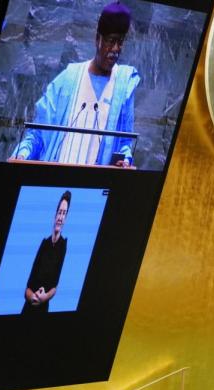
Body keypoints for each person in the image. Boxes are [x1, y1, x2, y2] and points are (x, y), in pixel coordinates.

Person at [11, 2, 140, 167]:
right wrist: (22, 155)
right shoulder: (69, 78)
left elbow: (124, 142)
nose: (115, 49)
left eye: (120, 42)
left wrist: (125, 160)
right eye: (110, 41)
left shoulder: (124, 84)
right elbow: (38, 134)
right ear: (97, 39)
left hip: (94, 185)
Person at [23, 191, 70, 314]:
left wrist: (44, 297)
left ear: (66, 218)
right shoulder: (44, 243)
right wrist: (32, 297)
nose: (60, 217)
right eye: (59, 212)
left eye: (64, 213)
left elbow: (54, 286)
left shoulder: (63, 245)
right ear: (55, 215)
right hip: (29, 306)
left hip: (43, 308)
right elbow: (28, 287)